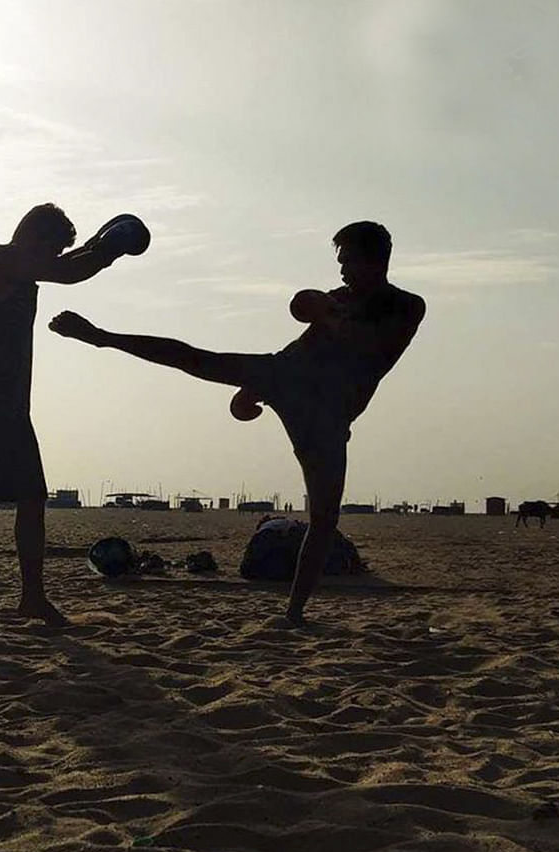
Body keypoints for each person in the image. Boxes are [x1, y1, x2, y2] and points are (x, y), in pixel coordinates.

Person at [49, 221, 425, 626]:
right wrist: (257, 386)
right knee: (197, 359)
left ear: (374, 261)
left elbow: (367, 346)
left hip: (327, 413)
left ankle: (294, 612)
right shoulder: (339, 298)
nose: (342, 271)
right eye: (340, 263)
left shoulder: (404, 306)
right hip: (287, 376)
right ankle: (104, 336)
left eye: (348, 261)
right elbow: (303, 330)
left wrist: (327, 312)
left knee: (323, 518)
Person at [0, 204, 148, 633]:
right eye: (52, 246)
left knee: (33, 501)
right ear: (34, 237)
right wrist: (111, 244)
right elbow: (71, 271)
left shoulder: (28, 269)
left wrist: (99, 243)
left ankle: (32, 596)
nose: (55, 256)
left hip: (10, 406)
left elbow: (69, 265)